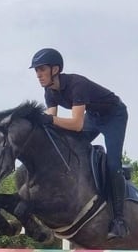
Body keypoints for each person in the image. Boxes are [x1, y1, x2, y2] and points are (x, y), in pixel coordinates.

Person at [30, 47, 130, 239]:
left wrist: (49, 121)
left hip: (114, 116)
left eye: (42, 69)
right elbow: (51, 123)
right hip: (93, 116)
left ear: (55, 69)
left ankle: (119, 220)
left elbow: (76, 124)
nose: (38, 75)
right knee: (68, 147)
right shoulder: (49, 91)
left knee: (113, 164)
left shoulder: (76, 84)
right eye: (36, 70)